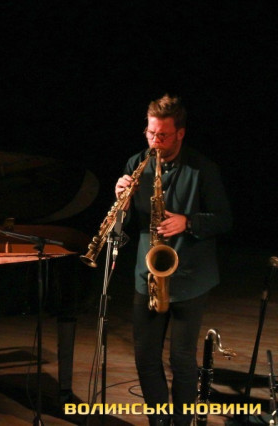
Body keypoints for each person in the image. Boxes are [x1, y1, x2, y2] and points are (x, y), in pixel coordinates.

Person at [115, 94, 232, 425]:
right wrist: (121, 201)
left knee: (181, 359)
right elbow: (126, 223)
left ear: (180, 133)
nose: (155, 141)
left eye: (163, 135)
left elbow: (224, 219)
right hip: (148, 274)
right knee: (145, 357)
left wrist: (188, 222)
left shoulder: (203, 169)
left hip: (190, 276)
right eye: (151, 133)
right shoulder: (137, 163)